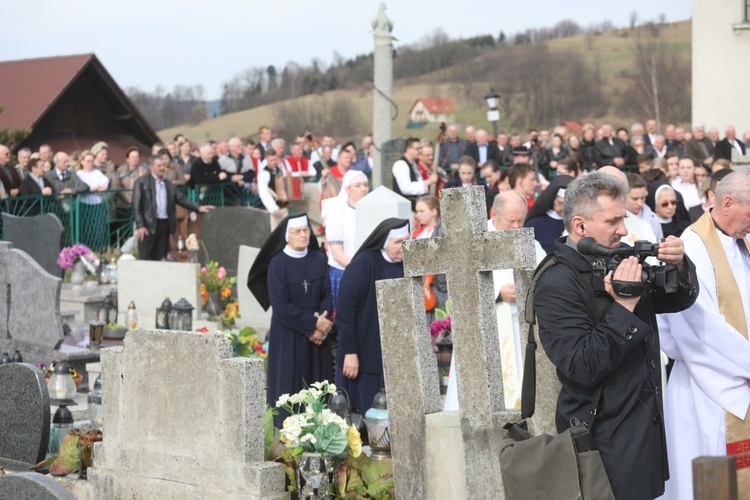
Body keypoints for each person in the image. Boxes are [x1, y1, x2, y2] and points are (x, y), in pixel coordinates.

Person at [534, 172, 698, 499]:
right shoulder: (556, 283)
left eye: (623, 219)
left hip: (642, 430)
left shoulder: (619, 255)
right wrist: (623, 305)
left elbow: (678, 298)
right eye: (613, 221)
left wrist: (679, 265)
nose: (623, 230)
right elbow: (582, 365)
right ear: (580, 226)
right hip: (601, 441)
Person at [658, 169, 750, 499]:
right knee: (711, 481)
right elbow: (701, 329)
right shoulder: (692, 247)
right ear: (727, 202)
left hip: (741, 379)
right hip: (708, 385)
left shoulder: (742, 241)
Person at [444, 190, 545, 411]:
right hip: (487, 329)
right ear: (493, 213)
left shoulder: (529, 241)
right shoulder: (473, 242)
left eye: (521, 220)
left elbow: (546, 274)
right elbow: (461, 289)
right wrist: (498, 294)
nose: (518, 227)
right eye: (512, 221)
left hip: (520, 328)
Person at [246, 213, 333, 428]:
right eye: (297, 231)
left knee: (317, 389)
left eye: (306, 230)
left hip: (317, 339)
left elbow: (327, 296)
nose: (303, 235)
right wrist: (314, 325)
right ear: (287, 235)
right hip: (288, 336)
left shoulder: (319, 259)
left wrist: (321, 327)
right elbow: (281, 307)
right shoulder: (277, 264)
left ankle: (319, 434)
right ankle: (285, 437)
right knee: (289, 389)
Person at [336, 218, 409, 412]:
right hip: (364, 352)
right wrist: (350, 352)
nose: (403, 247)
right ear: (384, 241)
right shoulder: (363, 263)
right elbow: (345, 310)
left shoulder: (409, 264)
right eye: (397, 242)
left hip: (397, 352)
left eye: (406, 241)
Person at [132, 155, 212, 261]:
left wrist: (198, 208)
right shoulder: (141, 182)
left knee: (160, 257)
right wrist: (140, 225)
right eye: (159, 165)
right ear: (151, 167)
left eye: (163, 165)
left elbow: (181, 199)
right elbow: (135, 205)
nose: (162, 168)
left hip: (164, 224)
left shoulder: (168, 184)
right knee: (144, 257)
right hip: (148, 225)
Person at [324, 170, 369, 311]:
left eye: (366, 184)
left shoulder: (373, 211)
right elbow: (337, 253)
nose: (363, 188)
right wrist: (360, 271)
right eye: (358, 185)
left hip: (368, 273)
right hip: (345, 272)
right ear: (347, 189)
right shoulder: (338, 214)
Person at [524, 175, 573, 254]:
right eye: (560, 203)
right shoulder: (534, 224)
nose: (563, 208)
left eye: (567, 205)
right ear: (553, 198)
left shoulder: (575, 223)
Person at [76, 150, 110, 250]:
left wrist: (94, 188)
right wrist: (93, 188)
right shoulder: (79, 174)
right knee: (86, 229)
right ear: (82, 162)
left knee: (98, 229)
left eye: (91, 161)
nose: (90, 163)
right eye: (88, 161)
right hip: (84, 204)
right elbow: (81, 187)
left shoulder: (97, 172)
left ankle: (99, 250)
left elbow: (104, 185)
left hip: (97, 203)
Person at [392, 138, 438, 210]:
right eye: (418, 148)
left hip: (415, 207)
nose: (420, 151)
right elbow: (406, 188)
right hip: (405, 209)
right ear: (409, 149)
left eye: (421, 148)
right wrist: (428, 182)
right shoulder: (401, 164)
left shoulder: (414, 164)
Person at [257, 149, 289, 230]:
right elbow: (263, 192)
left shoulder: (279, 170)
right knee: (275, 232)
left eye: (275, 159)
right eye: (271, 160)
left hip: (283, 206)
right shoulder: (264, 174)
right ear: (266, 160)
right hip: (273, 209)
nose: (273, 162)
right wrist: (273, 209)